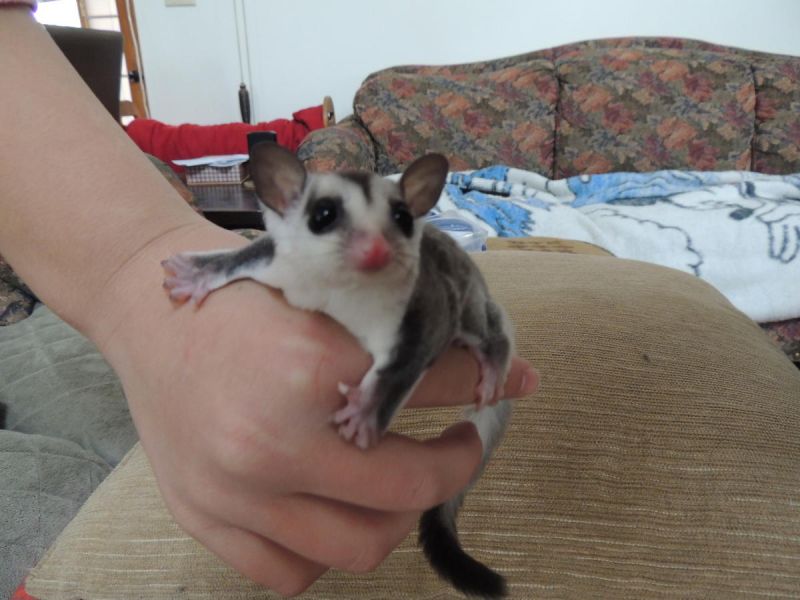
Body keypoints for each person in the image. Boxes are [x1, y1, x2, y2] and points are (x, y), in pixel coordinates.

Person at [0, 5, 539, 596]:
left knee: (472, 327)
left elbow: (414, 342)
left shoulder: (414, 268)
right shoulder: (294, 241)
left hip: (457, 318)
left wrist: (378, 402)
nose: (370, 247)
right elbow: (260, 256)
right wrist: (155, 288)